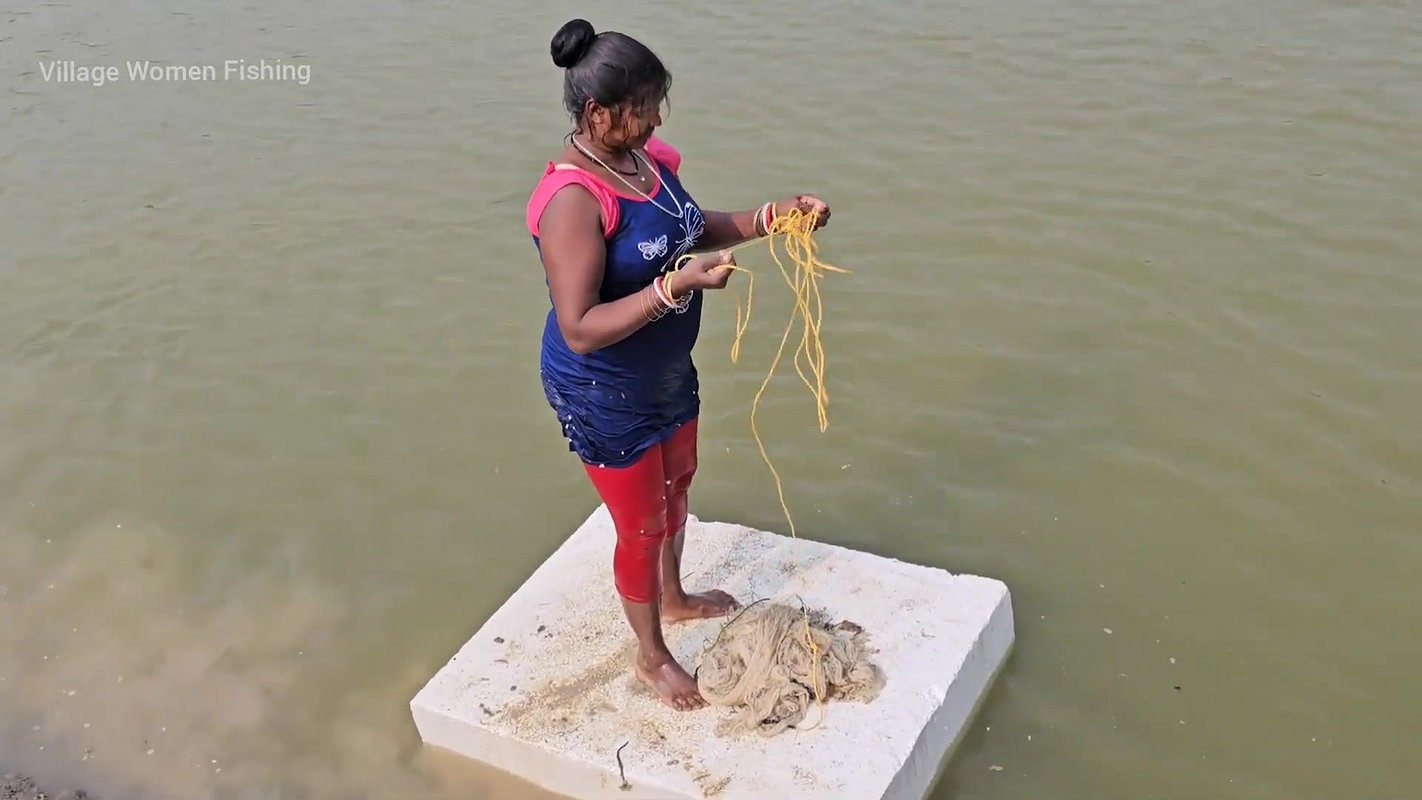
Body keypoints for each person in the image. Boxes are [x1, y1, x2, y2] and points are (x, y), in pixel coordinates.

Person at [525, 18, 831, 712]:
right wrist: (676, 287)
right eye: (641, 108)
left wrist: (772, 217)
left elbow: (694, 226)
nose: (654, 119)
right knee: (639, 525)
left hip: (665, 372)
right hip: (602, 388)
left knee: (678, 489)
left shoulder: (646, 159)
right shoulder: (573, 201)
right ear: (597, 114)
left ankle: (675, 596)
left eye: (658, 104)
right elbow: (580, 329)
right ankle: (651, 655)